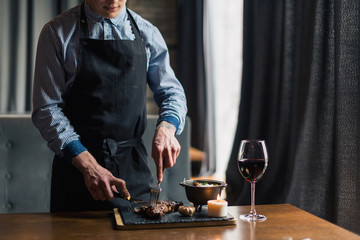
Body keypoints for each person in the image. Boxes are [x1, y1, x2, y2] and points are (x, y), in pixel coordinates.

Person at [32, 0, 187, 212]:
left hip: (134, 173)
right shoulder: (56, 33)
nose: (113, 0)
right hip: (77, 174)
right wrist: (88, 165)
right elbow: (47, 109)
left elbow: (172, 92)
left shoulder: (147, 32)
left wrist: (168, 127)